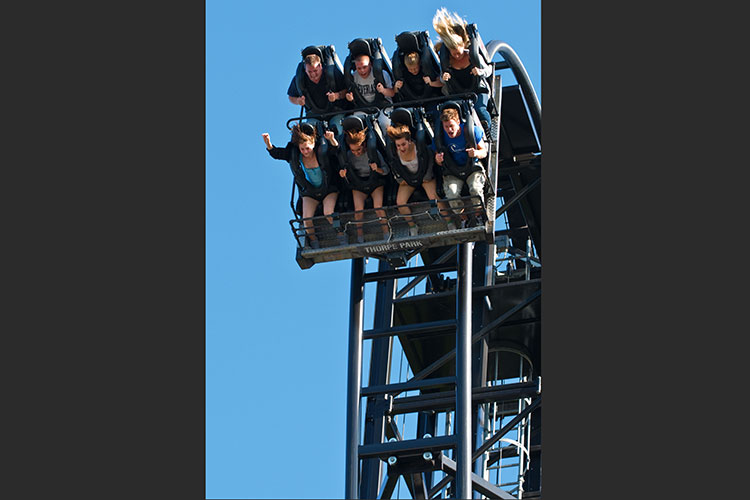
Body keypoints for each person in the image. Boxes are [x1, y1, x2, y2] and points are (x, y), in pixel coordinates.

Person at [262, 124, 341, 248]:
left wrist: (331, 139)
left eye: (307, 148)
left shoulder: (322, 151)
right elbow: (278, 154)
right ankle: (313, 241)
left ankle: (340, 234)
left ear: (313, 144)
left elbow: (336, 150)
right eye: (302, 149)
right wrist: (268, 144)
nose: (305, 152)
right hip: (311, 192)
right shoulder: (296, 155)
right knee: (306, 220)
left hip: (328, 189)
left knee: (328, 213)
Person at [432, 8, 493, 135]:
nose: (457, 56)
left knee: (479, 110)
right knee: (451, 114)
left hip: (478, 90)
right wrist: (444, 77)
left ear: (463, 46)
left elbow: (489, 70)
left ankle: (487, 132)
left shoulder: (472, 56)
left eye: (458, 53)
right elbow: (441, 80)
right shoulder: (447, 60)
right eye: (453, 54)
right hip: (458, 93)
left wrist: (480, 71)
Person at [431, 104, 488, 221]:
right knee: (452, 194)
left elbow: (484, 152)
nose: (449, 130)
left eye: (451, 126)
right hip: (453, 170)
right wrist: (438, 159)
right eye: (446, 127)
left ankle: (478, 215)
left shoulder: (471, 131)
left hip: (471, 167)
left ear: (458, 122)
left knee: (475, 189)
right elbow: (437, 159)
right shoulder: (440, 137)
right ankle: (464, 218)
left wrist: (476, 153)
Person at [337, 127, 391, 243]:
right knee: (358, 210)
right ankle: (360, 236)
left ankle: (386, 232)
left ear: (364, 145)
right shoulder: (349, 156)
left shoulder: (373, 153)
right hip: (359, 183)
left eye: (359, 150)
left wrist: (377, 169)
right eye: (353, 151)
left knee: (378, 207)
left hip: (375, 182)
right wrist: (344, 175)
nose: (357, 153)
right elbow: (348, 178)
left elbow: (386, 171)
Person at [385, 122, 439, 236]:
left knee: (434, 197)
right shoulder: (396, 153)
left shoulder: (418, 148)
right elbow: (394, 167)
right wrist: (400, 180)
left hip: (424, 176)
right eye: (398, 146)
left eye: (403, 144)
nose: (401, 148)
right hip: (409, 178)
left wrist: (427, 176)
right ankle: (412, 226)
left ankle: (449, 221)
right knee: (400, 202)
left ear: (410, 141)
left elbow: (429, 160)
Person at [287, 50, 349, 135]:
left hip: (336, 113)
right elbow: (291, 97)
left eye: (315, 71)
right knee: (308, 135)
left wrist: (337, 96)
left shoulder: (332, 73)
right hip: (314, 116)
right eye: (310, 72)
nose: (313, 75)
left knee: (338, 131)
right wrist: (298, 101)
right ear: (305, 69)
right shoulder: (300, 79)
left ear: (320, 66)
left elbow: (347, 90)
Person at [345, 53, 395, 135]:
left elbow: (392, 93)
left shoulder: (382, 74)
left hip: (383, 107)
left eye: (364, 67)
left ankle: (388, 145)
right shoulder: (353, 77)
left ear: (370, 65)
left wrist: (383, 90)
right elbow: (351, 97)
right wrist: (350, 98)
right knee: (355, 125)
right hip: (363, 109)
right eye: (359, 68)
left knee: (385, 123)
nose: (362, 71)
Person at [393, 51, 443, 122]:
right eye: (410, 69)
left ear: (419, 64)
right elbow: (394, 92)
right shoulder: (404, 75)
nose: (413, 71)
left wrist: (431, 83)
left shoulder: (427, 70)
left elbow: (442, 83)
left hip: (430, 99)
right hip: (412, 102)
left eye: (415, 68)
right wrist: (396, 86)